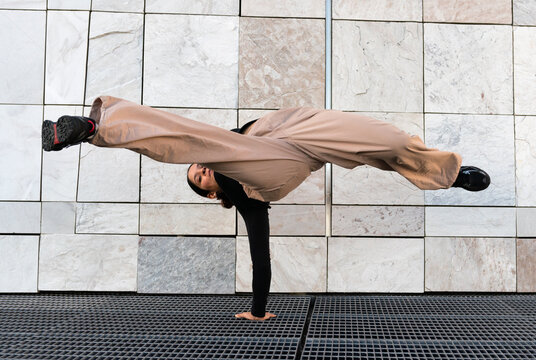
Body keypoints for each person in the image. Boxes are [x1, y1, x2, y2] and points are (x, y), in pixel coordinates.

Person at [42, 95, 490, 322]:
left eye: (196, 170)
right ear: (215, 194)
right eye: (199, 178)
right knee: (194, 140)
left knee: (387, 139)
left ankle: (449, 172)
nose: (200, 170)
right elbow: (261, 258)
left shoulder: (227, 143)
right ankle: (94, 127)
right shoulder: (243, 194)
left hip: (289, 126)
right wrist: (257, 309)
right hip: (278, 162)